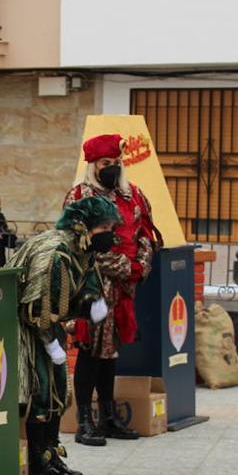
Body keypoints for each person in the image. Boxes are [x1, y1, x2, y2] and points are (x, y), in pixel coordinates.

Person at [7, 196, 118, 475]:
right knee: (40, 392)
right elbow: (36, 305)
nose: (110, 232)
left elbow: (85, 287)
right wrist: (50, 343)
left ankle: (51, 455)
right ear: (84, 226)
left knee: (58, 391)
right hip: (27, 329)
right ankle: (36, 463)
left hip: (50, 328)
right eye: (105, 226)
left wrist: (93, 302)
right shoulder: (55, 252)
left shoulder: (83, 250)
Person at [65, 133, 161, 446]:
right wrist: (121, 266)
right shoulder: (79, 196)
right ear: (93, 165)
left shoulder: (133, 194)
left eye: (116, 163)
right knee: (90, 352)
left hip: (124, 290)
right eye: (106, 163)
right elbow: (76, 243)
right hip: (92, 287)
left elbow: (147, 235)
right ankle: (84, 422)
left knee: (111, 353)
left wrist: (139, 266)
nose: (112, 168)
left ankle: (108, 417)